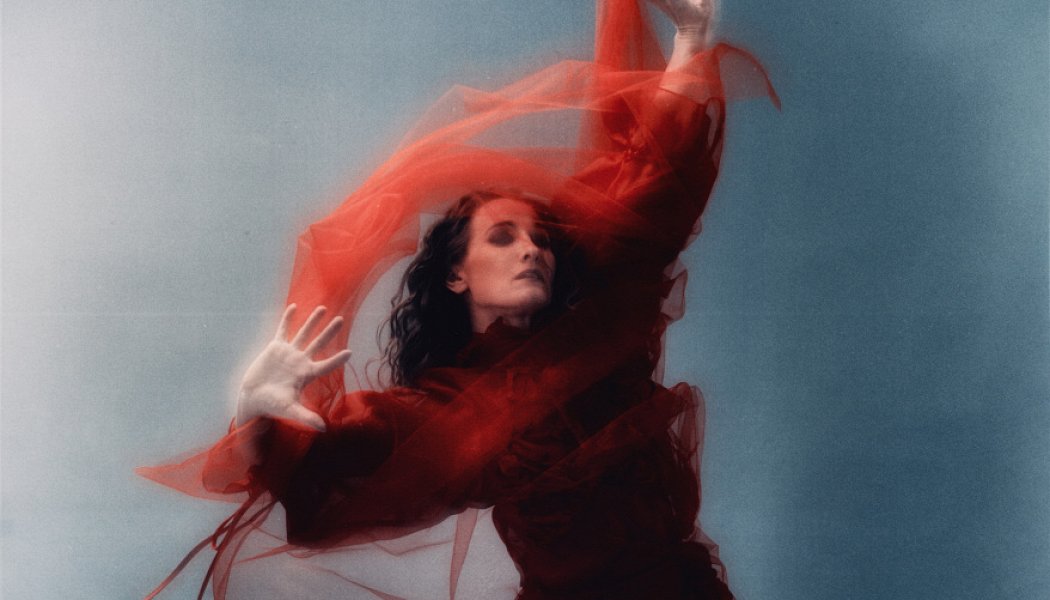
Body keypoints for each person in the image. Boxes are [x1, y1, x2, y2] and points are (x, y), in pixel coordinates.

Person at [140, 0, 777, 598]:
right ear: (456, 276)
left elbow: (653, 181)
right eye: (502, 237)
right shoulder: (450, 408)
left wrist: (692, 38)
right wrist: (255, 414)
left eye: (541, 240)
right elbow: (328, 467)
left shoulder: (600, 323)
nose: (532, 250)